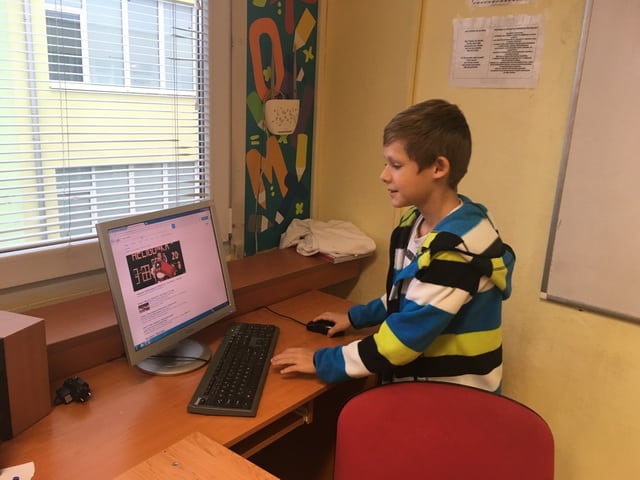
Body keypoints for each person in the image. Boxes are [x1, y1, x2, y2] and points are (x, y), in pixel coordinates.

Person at [271, 99, 515, 393]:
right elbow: (406, 296)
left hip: (454, 395)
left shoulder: (455, 251)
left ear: (438, 167)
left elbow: (401, 342)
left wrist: (322, 361)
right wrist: (356, 317)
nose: (384, 175)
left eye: (396, 165)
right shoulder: (416, 222)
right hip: (422, 381)